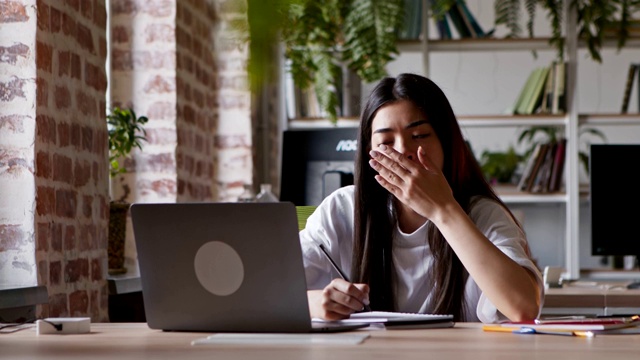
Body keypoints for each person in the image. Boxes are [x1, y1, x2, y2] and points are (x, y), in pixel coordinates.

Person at [299, 73, 543, 323]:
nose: (403, 151)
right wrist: (314, 304)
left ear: (446, 142)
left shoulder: (482, 214)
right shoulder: (342, 209)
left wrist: (444, 210)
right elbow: (265, 293)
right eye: (386, 141)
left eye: (419, 136)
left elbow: (523, 308)